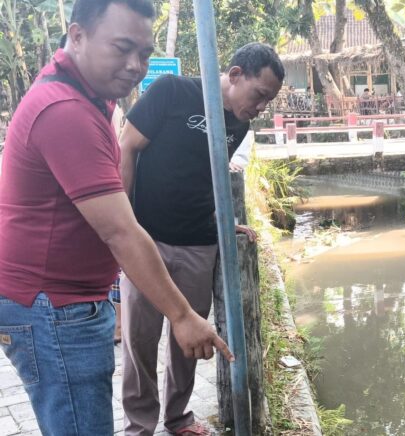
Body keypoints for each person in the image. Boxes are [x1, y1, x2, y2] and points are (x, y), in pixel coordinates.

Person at [0, 1, 232, 434]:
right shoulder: (65, 109)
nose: (135, 66)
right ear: (77, 36)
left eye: (143, 54)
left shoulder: (87, 98)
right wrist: (182, 316)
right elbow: (120, 231)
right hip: (53, 307)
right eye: (122, 48)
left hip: (63, 301)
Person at [118, 42, 283, 436]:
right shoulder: (172, 91)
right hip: (147, 241)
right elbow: (126, 148)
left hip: (200, 245)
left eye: (269, 101)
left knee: (188, 340)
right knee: (139, 341)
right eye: (260, 95)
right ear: (236, 74)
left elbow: (209, 175)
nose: (261, 106)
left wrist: (226, 220)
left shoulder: (240, 124)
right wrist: (124, 223)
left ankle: (178, 419)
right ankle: (138, 426)